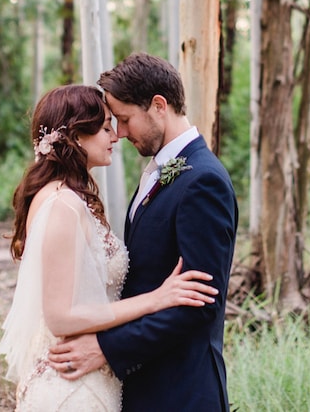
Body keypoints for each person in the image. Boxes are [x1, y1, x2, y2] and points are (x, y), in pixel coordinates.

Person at [0, 84, 219, 412]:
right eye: (105, 128)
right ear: (75, 137)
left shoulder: (71, 198)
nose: (115, 136)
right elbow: (59, 318)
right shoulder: (62, 204)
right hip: (73, 386)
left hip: (90, 377)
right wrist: (156, 298)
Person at [47, 53, 238, 412]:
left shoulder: (203, 181)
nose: (119, 132)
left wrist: (106, 348)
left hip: (181, 391)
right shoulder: (158, 171)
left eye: (124, 119)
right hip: (144, 385)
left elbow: (200, 306)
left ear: (158, 106)